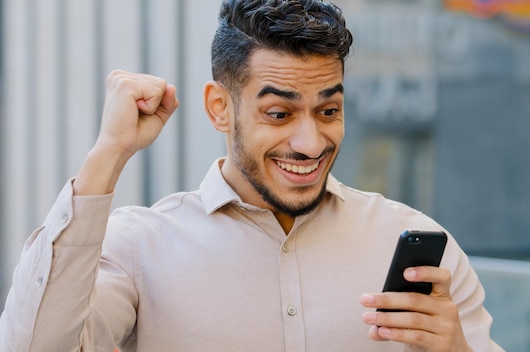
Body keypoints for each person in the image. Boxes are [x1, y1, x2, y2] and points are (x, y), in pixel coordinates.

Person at [0, 0, 503, 351]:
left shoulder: (410, 242)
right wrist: (107, 154)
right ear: (220, 108)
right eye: (280, 115)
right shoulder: (139, 248)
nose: (310, 143)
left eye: (328, 111)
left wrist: (456, 349)